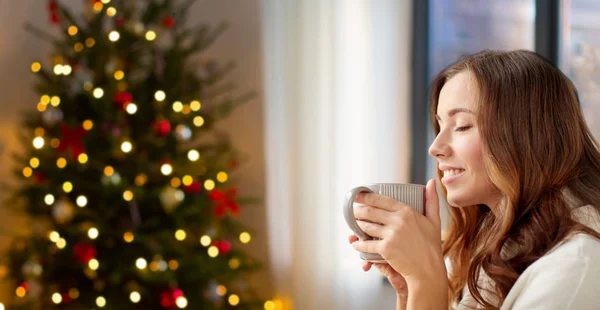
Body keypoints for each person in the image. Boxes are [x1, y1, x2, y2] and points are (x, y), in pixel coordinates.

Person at [348, 50, 600, 310]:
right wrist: (411, 289)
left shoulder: (574, 267)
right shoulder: (501, 249)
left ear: (527, 136)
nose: (435, 147)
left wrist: (426, 278)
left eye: (462, 126)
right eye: (440, 125)